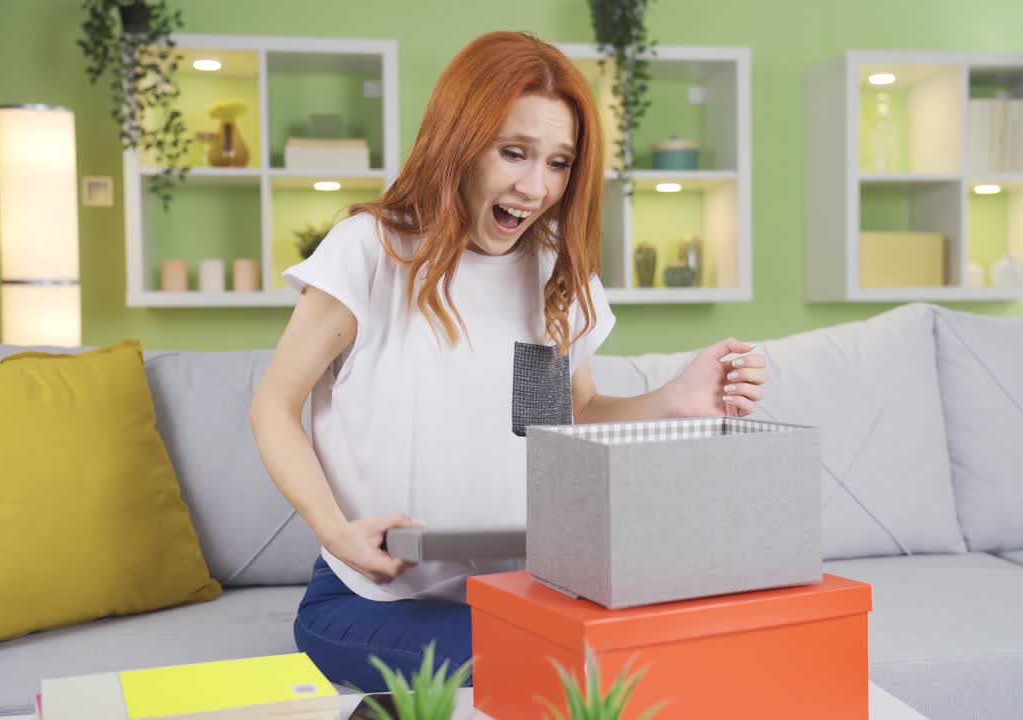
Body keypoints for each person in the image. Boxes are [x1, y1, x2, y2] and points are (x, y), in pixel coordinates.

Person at [249, 30, 767, 692]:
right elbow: (274, 407)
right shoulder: (370, 253)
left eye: (559, 163)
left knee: (689, 647)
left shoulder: (553, 273)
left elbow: (568, 417)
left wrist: (673, 400)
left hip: (523, 588)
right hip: (374, 598)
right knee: (570, 670)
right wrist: (335, 530)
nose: (534, 187)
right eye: (513, 153)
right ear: (458, 141)